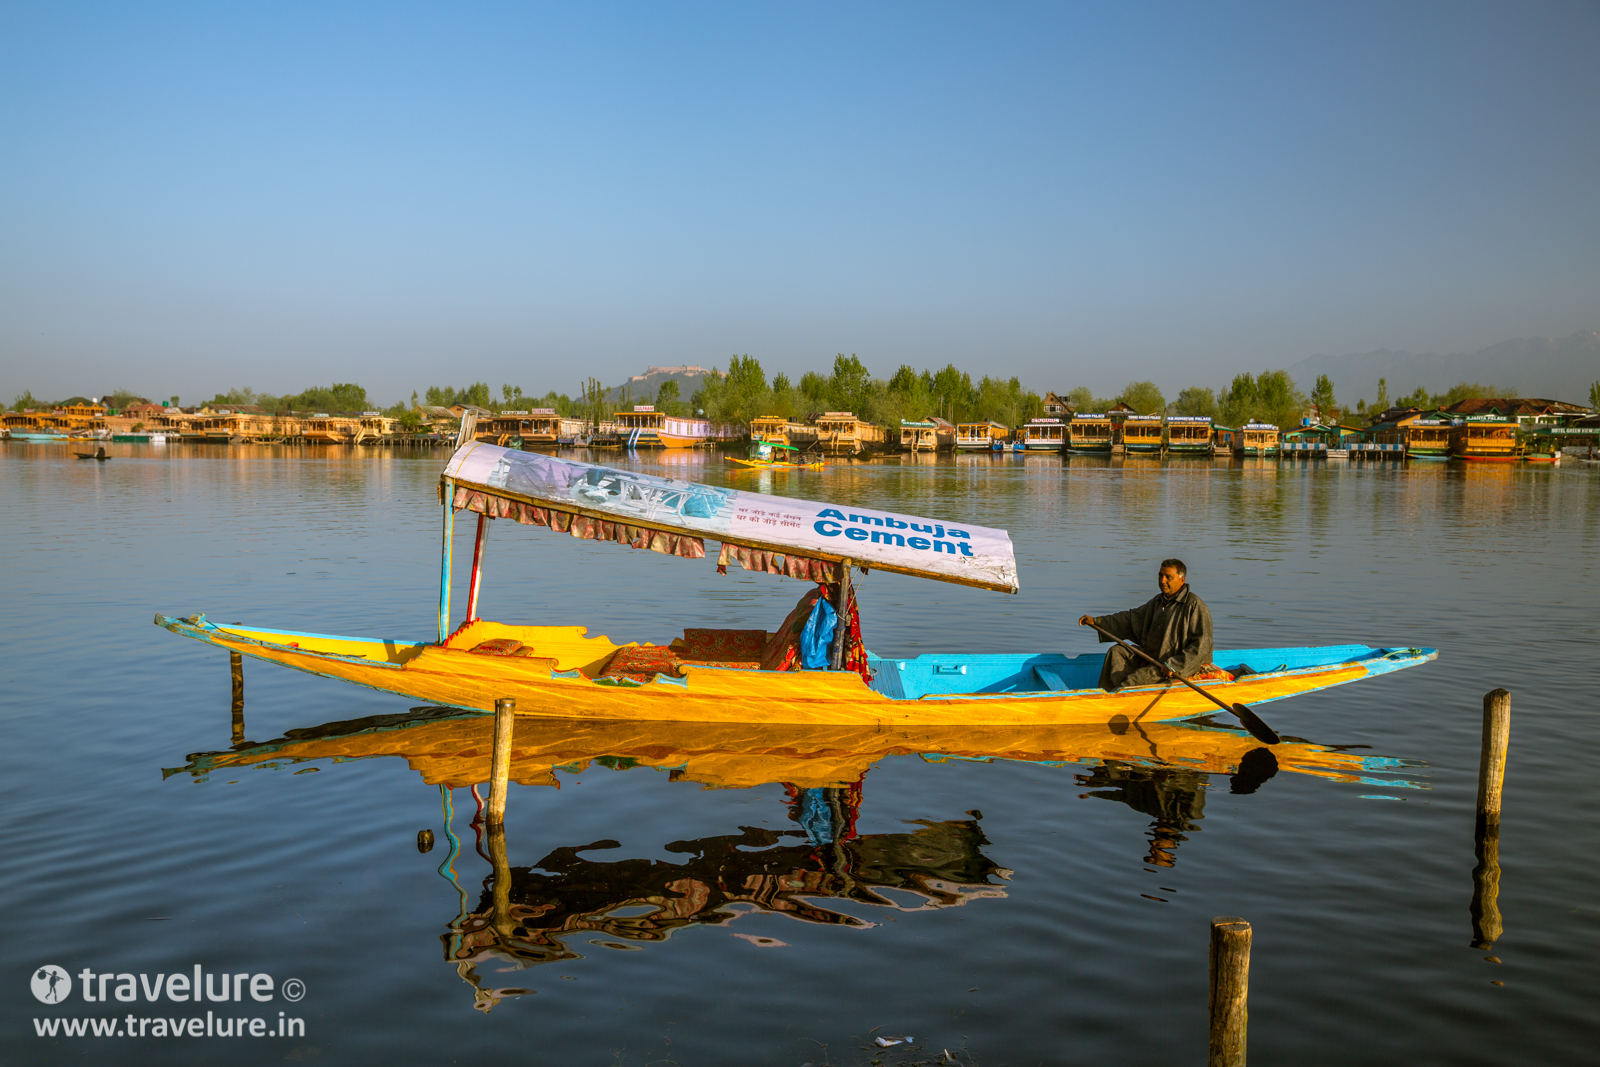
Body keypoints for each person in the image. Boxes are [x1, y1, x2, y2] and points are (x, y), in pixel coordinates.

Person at [1079, 559, 1212, 692]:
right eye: (1160, 575)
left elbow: (1201, 647)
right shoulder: (1158, 602)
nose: (1162, 581)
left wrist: (1174, 666)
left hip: (1170, 666)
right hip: (1150, 657)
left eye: (1168, 577)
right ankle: (1105, 694)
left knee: (1136, 679)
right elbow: (1130, 619)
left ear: (1182, 580)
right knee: (1116, 652)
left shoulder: (1194, 606)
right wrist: (1097, 622)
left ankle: (1118, 695)